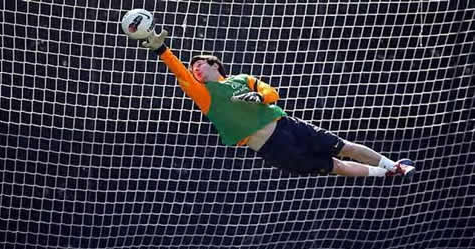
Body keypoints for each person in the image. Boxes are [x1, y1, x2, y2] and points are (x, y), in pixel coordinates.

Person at [140, 29, 415, 178]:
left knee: (346, 147)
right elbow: (178, 72)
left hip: (288, 126)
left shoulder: (242, 79)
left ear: (214, 64)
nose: (194, 70)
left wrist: (260, 96)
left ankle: (394, 166)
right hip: (273, 149)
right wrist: (162, 50)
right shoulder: (203, 94)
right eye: (193, 68)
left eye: (199, 64)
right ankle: (383, 173)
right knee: (337, 166)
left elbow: (270, 92)